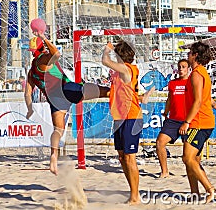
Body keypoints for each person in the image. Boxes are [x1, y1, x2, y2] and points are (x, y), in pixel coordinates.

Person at [24, 18, 110, 175]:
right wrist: (43, 37)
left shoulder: (31, 72)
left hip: (54, 99)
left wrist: (30, 109)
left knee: (58, 131)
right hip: (65, 89)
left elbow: (27, 93)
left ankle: (53, 159)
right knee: (104, 91)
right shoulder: (43, 59)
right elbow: (56, 53)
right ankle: (130, 97)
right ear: (41, 48)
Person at [156, 59, 216, 178]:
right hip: (174, 119)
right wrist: (166, 112)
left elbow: (207, 99)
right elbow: (170, 99)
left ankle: (197, 172)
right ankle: (164, 171)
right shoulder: (172, 83)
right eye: (179, 67)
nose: (181, 69)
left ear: (188, 69)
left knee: (192, 154)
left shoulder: (193, 80)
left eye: (183, 67)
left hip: (190, 121)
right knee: (160, 142)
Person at [101, 40, 143, 205]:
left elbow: (105, 61)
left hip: (131, 117)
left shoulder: (127, 69)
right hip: (119, 117)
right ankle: (132, 193)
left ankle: (135, 195)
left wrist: (107, 49)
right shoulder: (119, 73)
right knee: (122, 157)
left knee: (130, 157)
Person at [179, 41, 216, 203]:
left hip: (199, 121)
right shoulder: (201, 72)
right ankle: (195, 193)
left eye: (189, 53)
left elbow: (198, 101)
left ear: (195, 55)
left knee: (187, 158)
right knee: (193, 160)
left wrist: (187, 122)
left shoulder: (197, 74)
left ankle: (210, 189)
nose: (187, 55)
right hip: (201, 120)